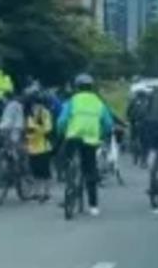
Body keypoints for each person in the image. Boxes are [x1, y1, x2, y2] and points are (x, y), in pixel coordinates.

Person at [56, 73, 114, 217]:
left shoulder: (72, 101)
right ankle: (93, 206)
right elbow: (108, 124)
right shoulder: (98, 103)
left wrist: (61, 132)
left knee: (65, 159)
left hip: (73, 137)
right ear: (91, 87)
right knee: (90, 171)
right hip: (90, 140)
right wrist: (101, 134)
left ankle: (68, 183)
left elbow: (62, 121)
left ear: (77, 87)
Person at [25, 91, 54, 202]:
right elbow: (27, 129)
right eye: (34, 104)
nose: (35, 106)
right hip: (32, 147)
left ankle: (47, 193)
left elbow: (48, 128)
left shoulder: (45, 113)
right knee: (35, 172)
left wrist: (35, 127)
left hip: (43, 147)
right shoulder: (30, 114)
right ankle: (37, 192)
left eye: (38, 104)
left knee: (45, 172)